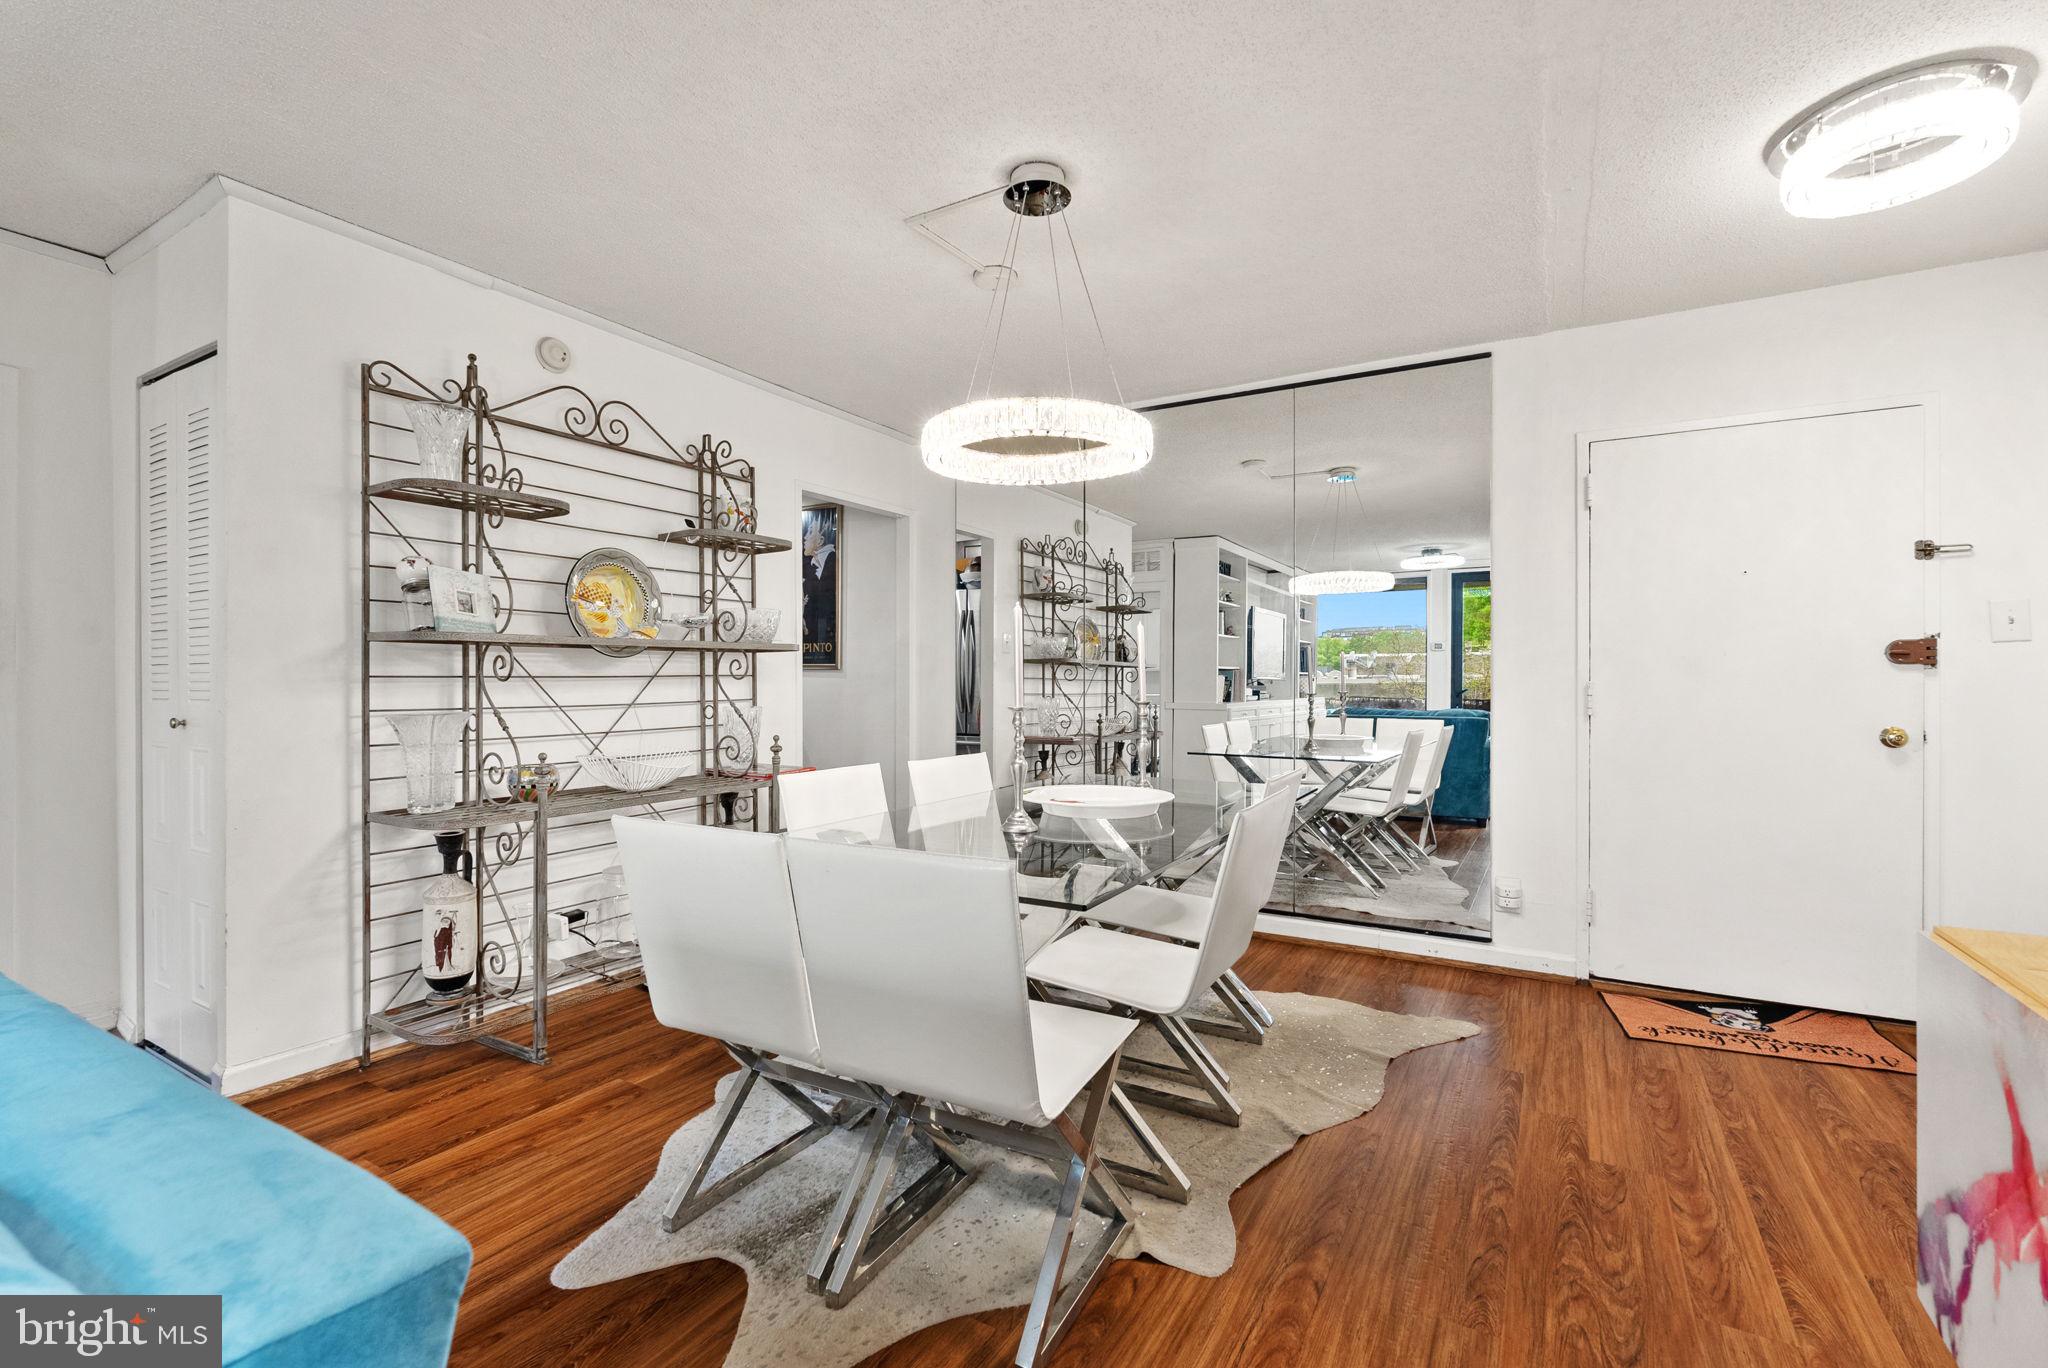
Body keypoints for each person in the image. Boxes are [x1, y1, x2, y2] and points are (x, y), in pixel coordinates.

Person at [802, 513, 837, 663]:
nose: (804, 537)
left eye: (809, 532)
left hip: (828, 635)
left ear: (821, 541)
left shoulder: (834, 562)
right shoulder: (808, 567)